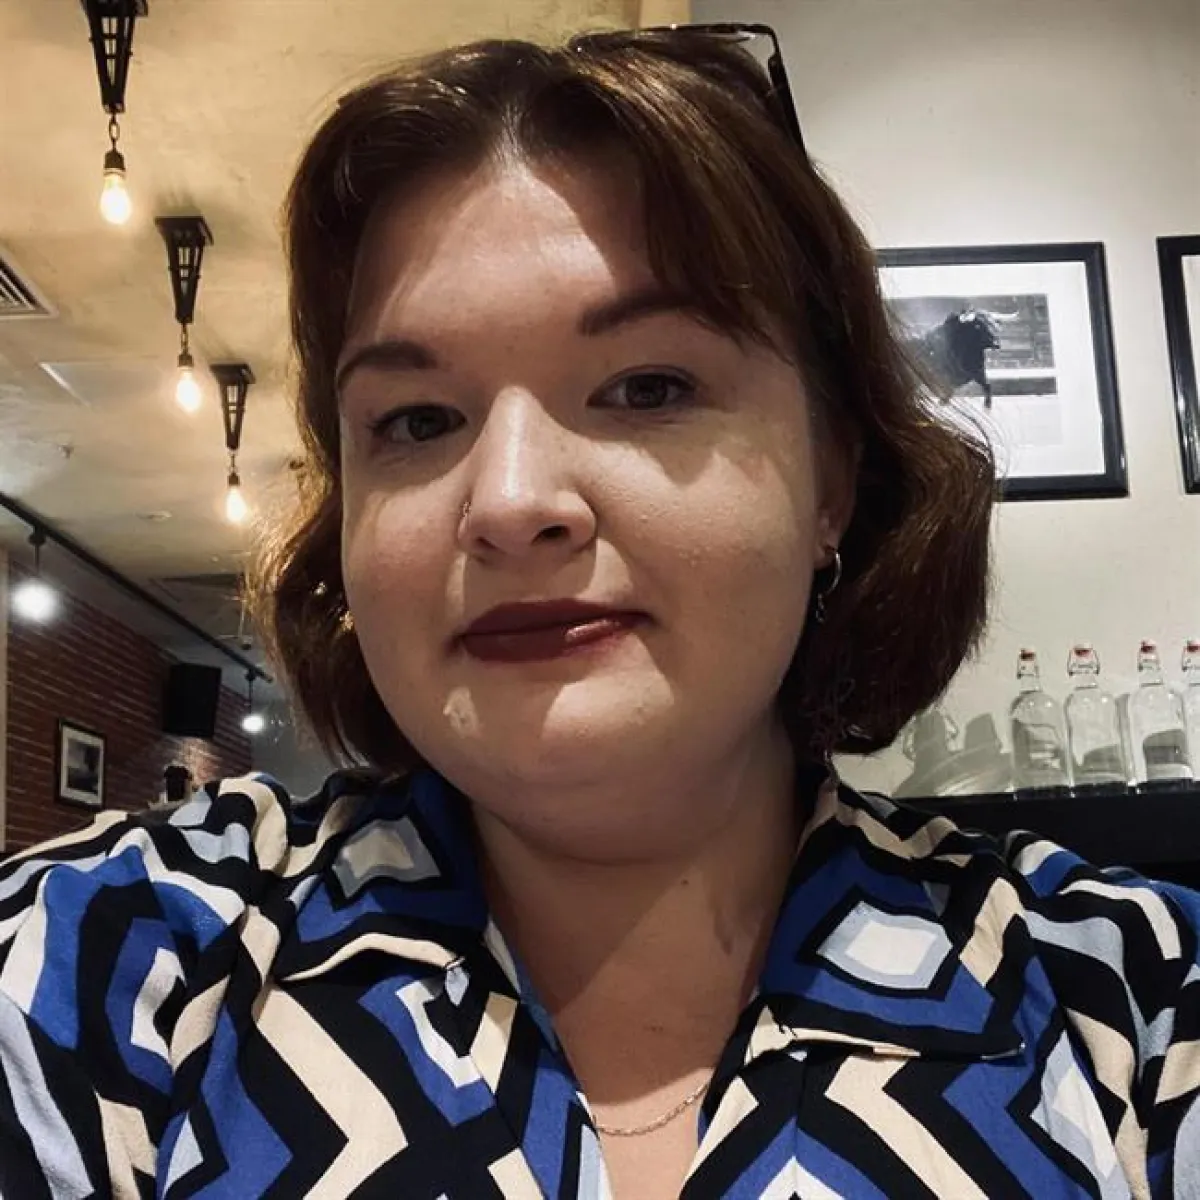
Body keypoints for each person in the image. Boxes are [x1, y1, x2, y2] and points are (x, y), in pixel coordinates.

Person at [1, 24, 1197, 1199]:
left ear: (831, 478)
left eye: (647, 387)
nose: (511, 503)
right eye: (417, 421)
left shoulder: (1131, 1005)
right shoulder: (107, 962)